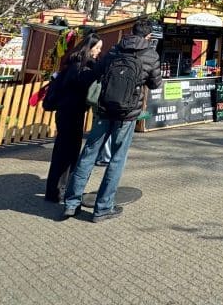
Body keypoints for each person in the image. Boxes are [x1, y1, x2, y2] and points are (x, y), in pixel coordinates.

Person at [62, 21, 161, 222]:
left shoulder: (115, 49)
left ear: (131, 32)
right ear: (149, 36)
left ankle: (71, 204)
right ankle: (103, 208)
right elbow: (155, 83)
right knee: (117, 158)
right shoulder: (150, 55)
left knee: (88, 154)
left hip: (104, 109)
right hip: (128, 113)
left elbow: (96, 73)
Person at [43, 33, 102, 203]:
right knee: (66, 153)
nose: (98, 51)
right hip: (69, 112)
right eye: (96, 48)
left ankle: (59, 189)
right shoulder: (79, 66)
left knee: (67, 151)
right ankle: (58, 191)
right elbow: (85, 82)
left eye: (99, 48)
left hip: (71, 112)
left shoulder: (75, 63)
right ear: (88, 47)